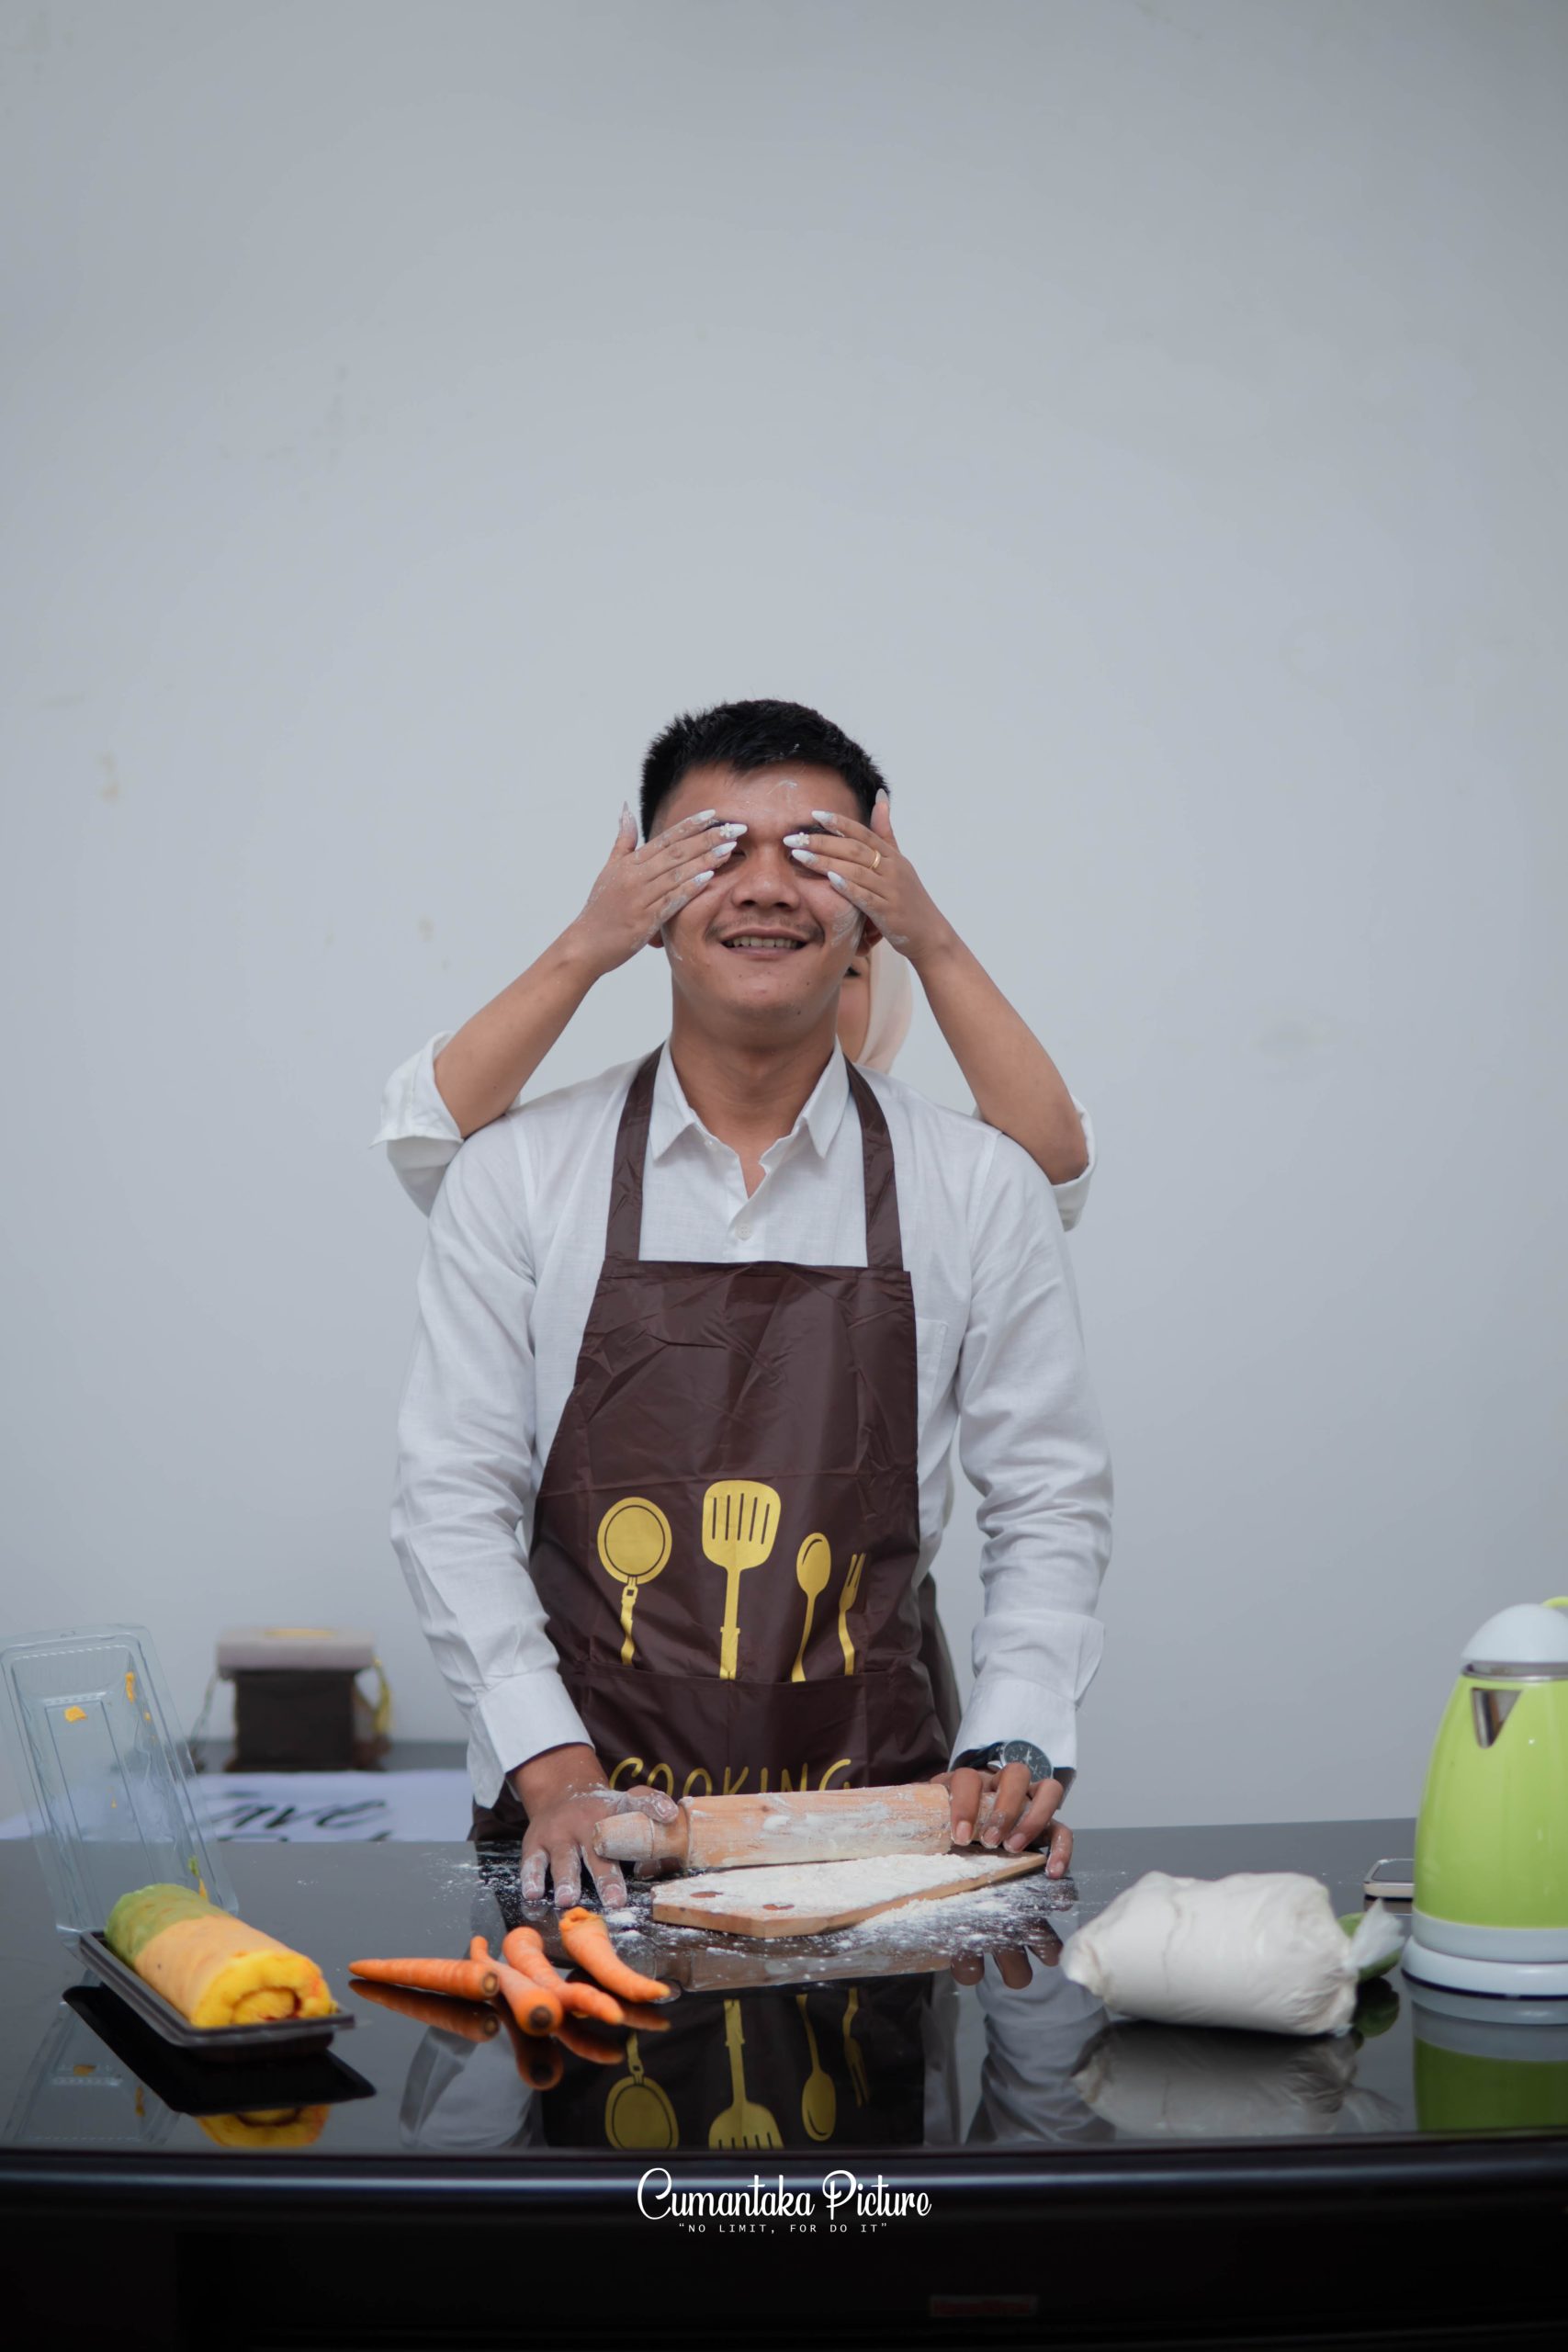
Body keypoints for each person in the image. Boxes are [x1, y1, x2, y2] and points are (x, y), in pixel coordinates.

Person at [390, 697, 1112, 1912]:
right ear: (650, 902)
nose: (768, 887)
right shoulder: (519, 1176)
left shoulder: (979, 1186)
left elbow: (1049, 1493)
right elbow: (452, 1497)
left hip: (885, 1828)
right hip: (579, 1833)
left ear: (872, 909)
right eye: (719, 850)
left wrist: (1015, 1737)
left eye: (816, 852)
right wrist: (554, 1770)